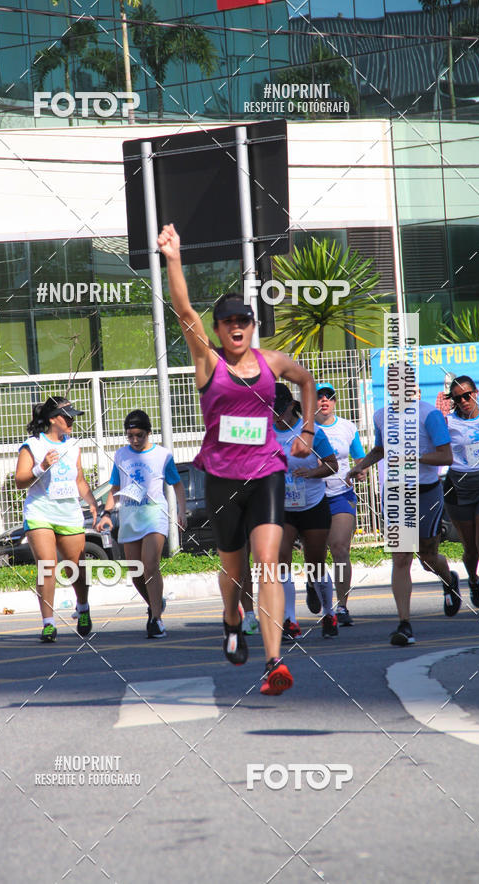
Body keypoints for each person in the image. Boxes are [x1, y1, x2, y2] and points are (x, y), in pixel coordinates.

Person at [158, 223, 317, 695]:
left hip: (267, 471)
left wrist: (306, 428)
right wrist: (173, 258)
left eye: (242, 321)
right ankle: (231, 617)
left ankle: (273, 662)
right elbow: (184, 311)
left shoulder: (272, 362)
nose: (236, 329)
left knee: (267, 562)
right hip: (223, 478)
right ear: (220, 328)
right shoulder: (209, 362)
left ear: (252, 324)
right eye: (227, 323)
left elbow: (307, 381)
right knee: (234, 568)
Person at [347, 365, 458, 646]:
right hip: (397, 493)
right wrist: (359, 467)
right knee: (401, 558)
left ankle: (449, 579)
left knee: (427, 556)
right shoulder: (381, 415)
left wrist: (415, 458)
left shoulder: (429, 415)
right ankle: (404, 624)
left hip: (427, 492)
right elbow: (380, 450)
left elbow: (446, 456)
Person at [15, 395, 98, 642]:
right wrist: (41, 466)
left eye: (73, 416)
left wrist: (92, 503)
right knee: (47, 567)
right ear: (53, 419)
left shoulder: (74, 446)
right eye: (67, 416)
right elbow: (20, 481)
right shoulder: (32, 445)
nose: (72, 420)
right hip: (40, 513)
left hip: (69, 514)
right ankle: (48, 623)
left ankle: (83, 607)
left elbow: (80, 480)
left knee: (77, 569)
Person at [96, 410, 186, 638]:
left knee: (151, 565)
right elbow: (114, 488)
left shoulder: (163, 455)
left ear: (148, 433)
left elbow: (177, 485)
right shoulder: (121, 455)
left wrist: (181, 512)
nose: (135, 440)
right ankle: (156, 602)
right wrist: (106, 513)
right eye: (130, 436)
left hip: (154, 514)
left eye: (139, 435)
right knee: (136, 571)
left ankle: (156, 619)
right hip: (129, 515)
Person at [273, 384, 339, 639]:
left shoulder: (311, 432)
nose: (275, 415)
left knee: (315, 564)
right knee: (281, 560)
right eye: (270, 410)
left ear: (291, 406)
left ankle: (328, 613)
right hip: (283, 508)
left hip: (312, 504)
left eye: (279, 410)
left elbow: (332, 465)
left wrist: (311, 472)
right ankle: (290, 619)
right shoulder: (266, 434)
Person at [315, 382, 366, 626]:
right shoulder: (305, 429)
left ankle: (342, 606)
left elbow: (360, 458)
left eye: (330, 396)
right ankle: (315, 589)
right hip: (312, 499)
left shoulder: (347, 427)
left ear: (335, 401)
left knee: (339, 548)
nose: (324, 400)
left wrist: (360, 470)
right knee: (315, 554)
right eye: (319, 396)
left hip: (340, 495)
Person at [444, 376, 479, 617]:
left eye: (467, 395)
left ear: (476, 392)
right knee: (471, 548)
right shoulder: (447, 422)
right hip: (458, 486)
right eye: (458, 398)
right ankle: (473, 578)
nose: (464, 401)